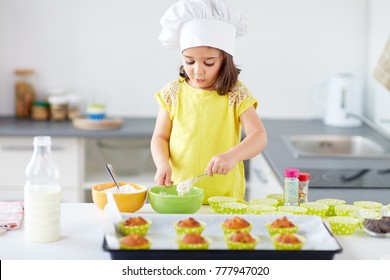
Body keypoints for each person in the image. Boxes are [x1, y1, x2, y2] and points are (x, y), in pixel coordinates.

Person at [151, 0, 267, 203]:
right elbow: (160, 137)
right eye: (189, 61)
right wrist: (162, 164)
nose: (197, 70)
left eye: (209, 62)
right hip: (181, 195)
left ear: (225, 59)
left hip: (225, 199)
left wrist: (232, 156)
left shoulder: (236, 93)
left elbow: (258, 137)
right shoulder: (172, 92)